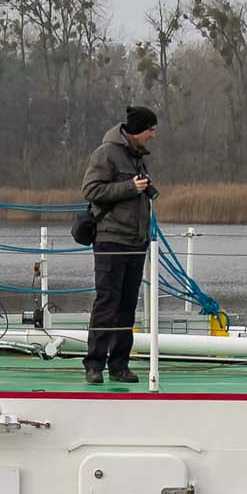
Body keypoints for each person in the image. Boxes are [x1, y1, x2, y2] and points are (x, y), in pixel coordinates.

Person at [78, 106, 160, 384]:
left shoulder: (137, 157)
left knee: (127, 307)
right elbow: (90, 191)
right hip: (111, 241)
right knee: (106, 303)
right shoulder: (105, 153)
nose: (153, 134)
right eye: (150, 129)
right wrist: (129, 188)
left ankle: (119, 365)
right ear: (138, 129)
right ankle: (94, 365)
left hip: (136, 243)